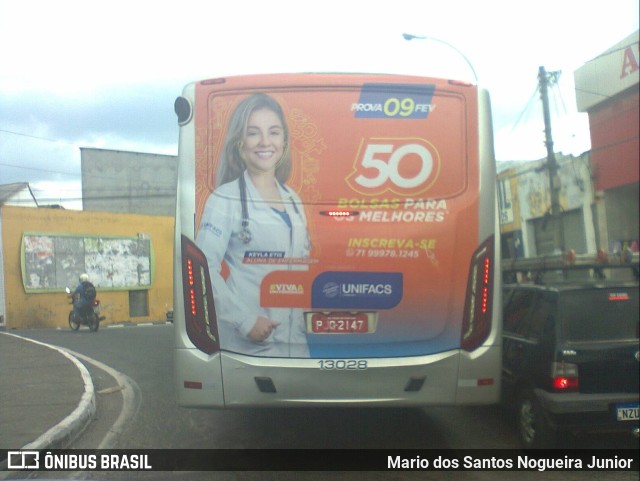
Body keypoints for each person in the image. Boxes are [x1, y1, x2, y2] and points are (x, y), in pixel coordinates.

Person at [196, 93, 311, 357]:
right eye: (253, 133)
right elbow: (204, 270)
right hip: (250, 343)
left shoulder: (294, 200)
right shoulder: (224, 198)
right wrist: (244, 320)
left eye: (273, 132)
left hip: (296, 343)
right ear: (239, 142)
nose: (265, 142)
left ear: (284, 140)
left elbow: (301, 269)